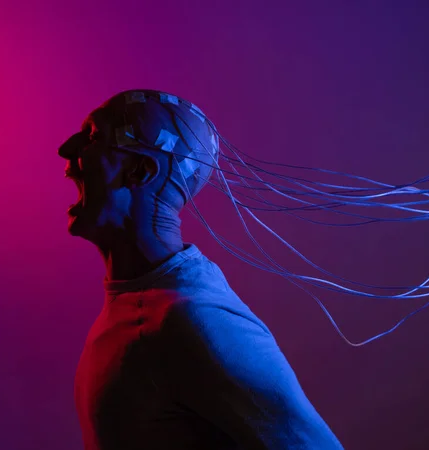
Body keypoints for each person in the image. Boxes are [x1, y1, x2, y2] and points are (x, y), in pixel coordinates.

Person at [57, 89, 343, 449]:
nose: (67, 150)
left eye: (93, 136)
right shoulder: (140, 303)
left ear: (142, 171)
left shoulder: (195, 320)